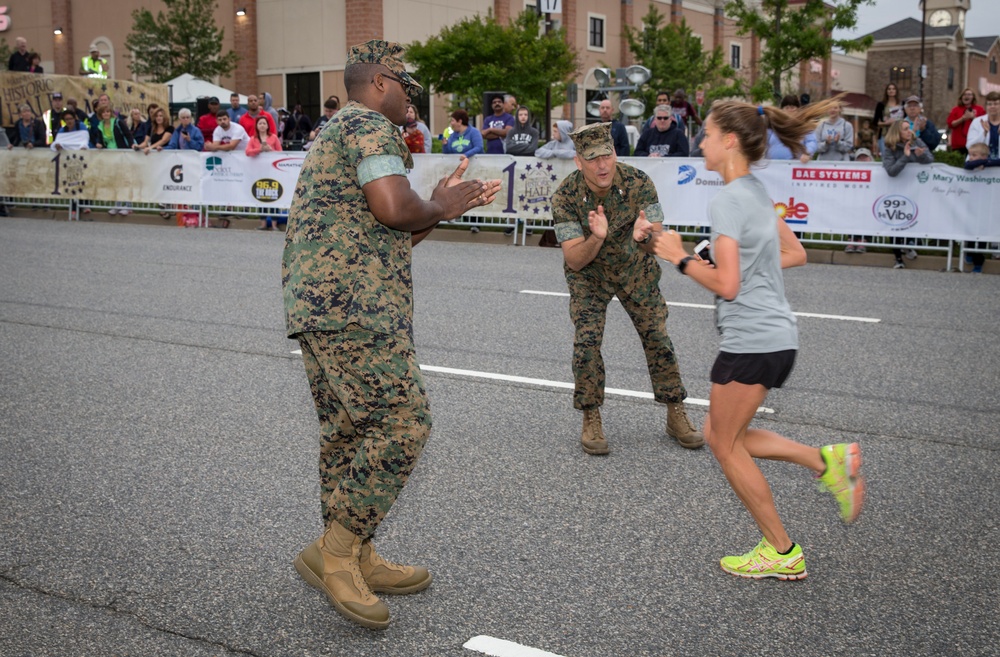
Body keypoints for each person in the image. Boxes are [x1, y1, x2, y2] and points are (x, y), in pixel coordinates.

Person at [282, 39, 499, 631]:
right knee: (406, 421)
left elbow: (392, 231)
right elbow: (393, 209)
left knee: (348, 431)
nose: (414, 99)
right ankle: (336, 550)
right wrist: (439, 202)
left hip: (326, 305)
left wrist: (438, 208)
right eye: (408, 86)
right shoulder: (370, 128)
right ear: (379, 82)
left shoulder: (339, 130)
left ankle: (354, 552)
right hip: (353, 308)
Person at [633, 98, 864, 581]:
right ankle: (825, 462)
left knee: (724, 445)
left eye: (709, 134)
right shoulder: (755, 191)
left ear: (730, 141)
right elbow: (794, 253)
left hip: (752, 340)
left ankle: (782, 550)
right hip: (775, 337)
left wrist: (679, 257)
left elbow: (728, 285)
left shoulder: (729, 200)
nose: (700, 141)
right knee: (723, 433)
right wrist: (667, 240)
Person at [550, 122, 704, 456]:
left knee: (657, 337)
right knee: (586, 341)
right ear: (578, 162)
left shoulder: (639, 183)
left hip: (636, 268)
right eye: (592, 159)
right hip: (590, 274)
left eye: (606, 155)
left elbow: (658, 241)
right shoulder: (564, 197)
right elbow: (575, 260)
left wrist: (646, 236)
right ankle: (591, 415)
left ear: (615, 153)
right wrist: (598, 237)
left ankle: (675, 411)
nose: (602, 165)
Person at [881, 119, 933, 269]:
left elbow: (930, 159)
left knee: (913, 216)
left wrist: (920, 155)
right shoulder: (890, 147)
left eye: (909, 128)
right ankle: (898, 258)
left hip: (914, 189)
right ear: (897, 132)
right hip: (895, 189)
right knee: (896, 220)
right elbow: (891, 171)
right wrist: (905, 156)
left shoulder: (918, 141)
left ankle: (909, 244)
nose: (909, 131)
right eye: (905, 129)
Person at [767, 96, 816, 164]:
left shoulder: (803, 125)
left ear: (798, 109)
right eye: (787, 108)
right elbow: (763, 142)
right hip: (773, 167)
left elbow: (811, 141)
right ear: (781, 110)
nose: (789, 110)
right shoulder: (774, 124)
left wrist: (807, 153)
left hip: (795, 167)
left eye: (792, 107)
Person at [947, 88, 986, 156]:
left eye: (969, 94)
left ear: (973, 97)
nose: (966, 96)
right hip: (958, 145)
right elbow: (950, 124)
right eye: (964, 95)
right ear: (961, 97)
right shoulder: (956, 109)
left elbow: (985, 124)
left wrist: (973, 118)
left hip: (975, 145)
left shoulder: (979, 109)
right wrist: (963, 118)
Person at [873, 82, 903, 152]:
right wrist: (886, 123)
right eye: (889, 89)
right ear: (886, 91)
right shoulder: (881, 105)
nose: (891, 91)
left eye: (893, 89)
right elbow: (875, 122)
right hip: (884, 135)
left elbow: (905, 119)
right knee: (886, 157)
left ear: (896, 91)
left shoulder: (901, 104)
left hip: (898, 135)